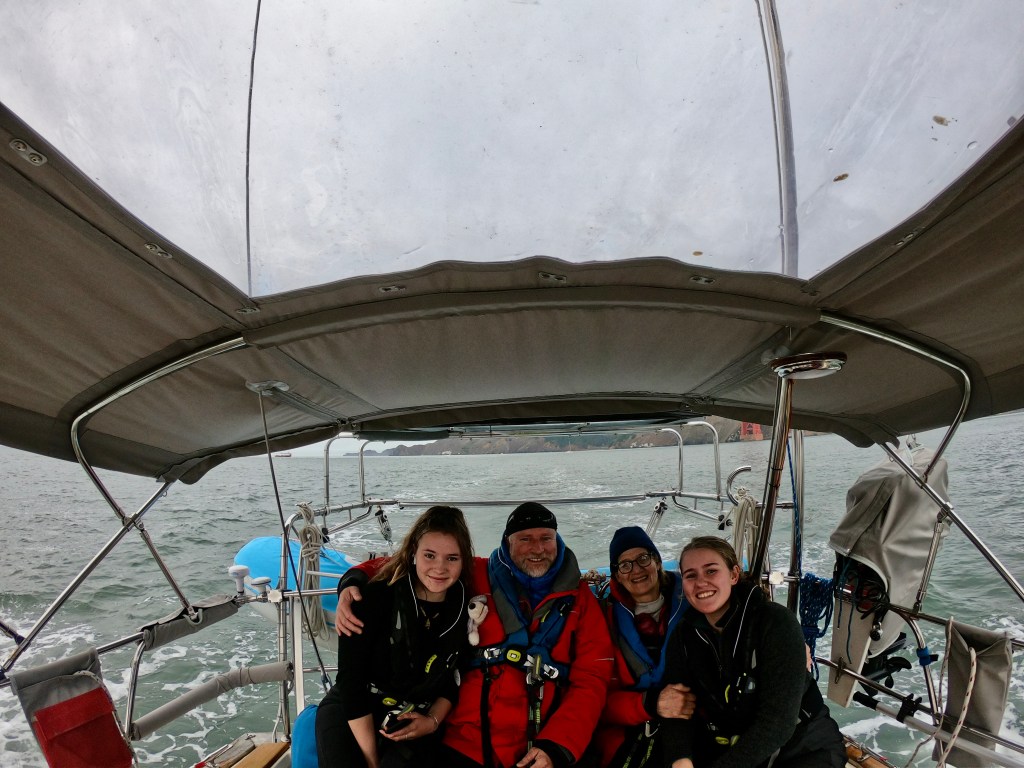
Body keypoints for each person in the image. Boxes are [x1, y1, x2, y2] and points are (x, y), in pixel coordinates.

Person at [336, 502, 614, 768]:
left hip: (541, 737)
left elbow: (592, 679)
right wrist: (353, 580)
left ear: (557, 539)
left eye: (546, 538)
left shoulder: (581, 601)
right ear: (507, 542)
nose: (538, 548)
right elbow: (413, 563)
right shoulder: (478, 573)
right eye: (525, 539)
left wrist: (557, 745)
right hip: (466, 738)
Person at [659, 536, 846, 768]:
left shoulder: (775, 623)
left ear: (734, 575)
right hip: (730, 745)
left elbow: (777, 724)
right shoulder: (684, 635)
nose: (700, 582)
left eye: (711, 571)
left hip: (802, 746)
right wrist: (680, 757)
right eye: (691, 575)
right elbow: (678, 704)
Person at [315, 505, 474, 768]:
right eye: (430, 555)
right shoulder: (375, 598)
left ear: (463, 560)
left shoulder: (464, 607)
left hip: (413, 718)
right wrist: (371, 760)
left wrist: (432, 722)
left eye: (452, 558)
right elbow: (351, 682)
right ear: (413, 553)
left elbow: (454, 677)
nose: (440, 568)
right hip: (354, 711)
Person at [593, 526, 694, 768]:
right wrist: (650, 704)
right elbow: (598, 700)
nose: (636, 569)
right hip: (631, 729)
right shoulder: (604, 619)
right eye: (625, 565)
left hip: (690, 718)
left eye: (643, 558)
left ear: (657, 562)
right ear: (616, 576)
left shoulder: (694, 600)